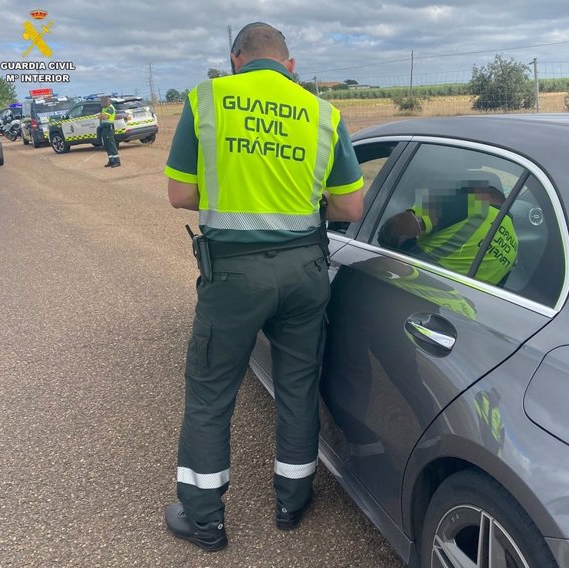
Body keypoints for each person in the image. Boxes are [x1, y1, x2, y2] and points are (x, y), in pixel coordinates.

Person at [163, 22, 364, 551]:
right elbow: (349, 207)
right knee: (297, 389)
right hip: (304, 272)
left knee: (210, 394)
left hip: (233, 275)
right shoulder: (324, 113)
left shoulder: (207, 98)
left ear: (235, 60)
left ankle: (204, 519)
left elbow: (180, 194)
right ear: (290, 66)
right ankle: (291, 504)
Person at [377, 175, 517, 286]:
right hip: (458, 312)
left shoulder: (467, 203)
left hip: (410, 287)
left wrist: (385, 234)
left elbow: (396, 231)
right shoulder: (514, 243)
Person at [97, 96, 120, 168]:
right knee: (106, 145)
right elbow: (100, 116)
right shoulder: (104, 108)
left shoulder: (110, 108)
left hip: (109, 128)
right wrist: (101, 115)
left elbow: (104, 117)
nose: (102, 103)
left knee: (111, 144)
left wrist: (101, 115)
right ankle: (111, 160)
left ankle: (117, 161)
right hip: (104, 128)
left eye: (103, 101)